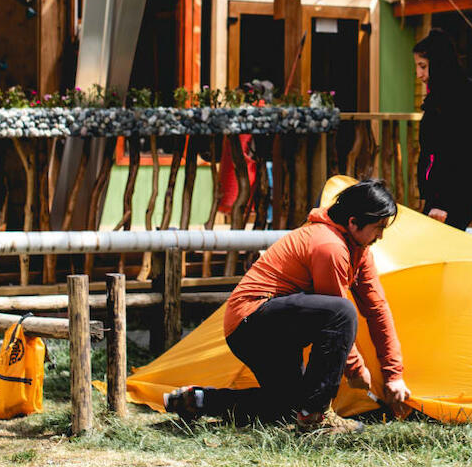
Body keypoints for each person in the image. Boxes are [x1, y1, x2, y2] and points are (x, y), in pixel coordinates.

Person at [165, 179, 412, 433]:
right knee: (343, 312)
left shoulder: (359, 249)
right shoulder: (330, 247)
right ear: (353, 222)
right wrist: (356, 369)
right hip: (253, 323)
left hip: (265, 326)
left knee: (286, 409)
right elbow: (336, 316)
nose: (380, 236)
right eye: (378, 227)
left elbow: (378, 310)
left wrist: (394, 375)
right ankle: (316, 417)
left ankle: (200, 401)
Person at [413, 29, 472, 231]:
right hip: (456, 194)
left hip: (448, 199)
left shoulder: (450, 100)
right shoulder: (454, 93)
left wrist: (439, 201)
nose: (419, 74)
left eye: (423, 66)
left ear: (438, 63)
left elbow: (454, 152)